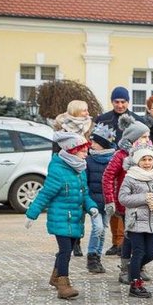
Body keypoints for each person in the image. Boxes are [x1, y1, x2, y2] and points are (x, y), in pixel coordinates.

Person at [24, 131, 97, 300]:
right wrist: (31, 214)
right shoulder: (58, 170)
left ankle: (55, 277)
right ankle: (63, 285)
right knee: (65, 251)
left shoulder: (80, 169)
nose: (86, 154)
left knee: (68, 249)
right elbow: (45, 194)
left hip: (75, 218)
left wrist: (91, 207)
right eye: (82, 151)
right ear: (71, 150)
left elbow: (84, 193)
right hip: (61, 218)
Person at [118, 143, 153, 298]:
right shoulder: (130, 177)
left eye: (149, 159)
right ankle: (135, 284)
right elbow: (123, 198)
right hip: (136, 222)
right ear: (137, 161)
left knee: (152, 253)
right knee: (138, 252)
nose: (147, 163)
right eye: (144, 160)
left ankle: (133, 267)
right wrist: (143, 198)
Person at [102, 115, 151, 275]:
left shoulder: (148, 154)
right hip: (127, 204)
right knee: (130, 238)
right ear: (134, 138)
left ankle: (139, 266)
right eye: (143, 137)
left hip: (144, 202)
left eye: (148, 137)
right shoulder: (121, 155)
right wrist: (110, 201)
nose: (147, 140)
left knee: (143, 236)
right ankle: (125, 268)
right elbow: (108, 176)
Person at [52, 99, 94, 257]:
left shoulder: (89, 127)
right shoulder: (61, 129)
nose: (87, 113)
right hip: (67, 170)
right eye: (84, 110)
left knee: (82, 204)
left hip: (85, 168)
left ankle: (77, 238)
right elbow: (56, 152)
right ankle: (73, 243)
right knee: (71, 207)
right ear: (76, 111)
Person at [85, 122, 117, 274]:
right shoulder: (89, 160)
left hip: (108, 202)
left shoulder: (112, 160)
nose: (92, 144)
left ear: (103, 145)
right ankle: (91, 257)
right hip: (93, 201)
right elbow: (85, 182)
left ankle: (98, 257)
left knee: (104, 229)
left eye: (95, 142)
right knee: (97, 227)